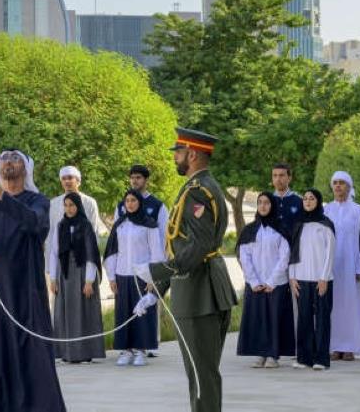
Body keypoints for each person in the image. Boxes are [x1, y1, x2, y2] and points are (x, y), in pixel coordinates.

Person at [133, 128, 236, 412]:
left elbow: (199, 245)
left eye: (178, 153)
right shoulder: (203, 186)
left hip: (198, 294)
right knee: (203, 373)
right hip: (204, 287)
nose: (175, 158)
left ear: (192, 154)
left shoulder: (197, 192)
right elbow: (185, 246)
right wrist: (158, 289)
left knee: (202, 376)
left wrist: (158, 270)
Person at [0, 149, 67, 412]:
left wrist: (0, 193)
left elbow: (34, 224)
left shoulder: (38, 201)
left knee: (34, 356)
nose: (9, 162)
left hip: (27, 294)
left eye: (15, 158)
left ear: (26, 169)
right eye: (4, 158)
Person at [104, 188, 163, 366]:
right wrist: (111, 277)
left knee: (142, 313)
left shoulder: (149, 224)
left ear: (140, 203)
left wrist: (153, 279)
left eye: (133, 201)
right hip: (122, 274)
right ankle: (126, 350)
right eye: (127, 201)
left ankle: (141, 350)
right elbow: (112, 252)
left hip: (142, 276)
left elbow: (156, 252)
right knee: (123, 313)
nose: (129, 204)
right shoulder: (119, 224)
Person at [235, 191, 293, 368]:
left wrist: (271, 282)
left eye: (267, 203)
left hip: (276, 284)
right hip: (255, 284)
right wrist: (254, 281)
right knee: (258, 318)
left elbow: (285, 256)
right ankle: (261, 353)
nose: (263, 206)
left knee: (275, 319)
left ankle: (273, 356)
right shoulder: (250, 230)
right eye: (260, 202)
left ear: (272, 205)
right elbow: (244, 256)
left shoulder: (281, 229)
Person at [47, 191, 105, 364]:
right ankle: (67, 353)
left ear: (78, 206)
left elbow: (91, 255)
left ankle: (85, 352)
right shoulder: (60, 226)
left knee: (83, 313)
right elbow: (54, 253)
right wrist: (53, 278)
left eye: (72, 205)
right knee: (63, 313)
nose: (69, 208)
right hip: (65, 275)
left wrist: (89, 281)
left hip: (82, 274)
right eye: (66, 205)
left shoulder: (85, 225)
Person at [290, 188, 335, 370]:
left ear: (318, 201)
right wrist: (292, 277)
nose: (308, 201)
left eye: (312, 198)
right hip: (300, 279)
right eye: (305, 199)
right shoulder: (298, 224)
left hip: (321, 280)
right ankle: (304, 358)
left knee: (323, 319)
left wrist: (324, 278)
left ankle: (321, 359)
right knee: (304, 319)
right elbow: (292, 254)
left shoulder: (325, 224)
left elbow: (330, 254)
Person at [323, 171, 360, 361]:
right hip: (330, 265)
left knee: (350, 305)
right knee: (331, 305)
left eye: (342, 183)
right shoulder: (325, 210)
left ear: (349, 186)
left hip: (350, 265)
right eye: (336, 183)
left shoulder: (358, 211)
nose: (339, 186)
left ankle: (349, 347)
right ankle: (333, 346)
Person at [49, 166, 102, 242]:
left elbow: (94, 231)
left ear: (78, 181)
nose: (67, 181)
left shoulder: (90, 202)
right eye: (63, 179)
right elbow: (51, 232)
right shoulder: (54, 203)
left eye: (70, 178)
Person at [115, 164, 168, 240]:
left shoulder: (157, 206)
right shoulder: (121, 206)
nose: (134, 181)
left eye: (138, 178)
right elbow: (116, 234)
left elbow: (164, 235)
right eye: (132, 178)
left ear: (146, 180)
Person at [269, 163, 304, 242]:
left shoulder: (300, 201)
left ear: (289, 178)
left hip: (293, 248)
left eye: (281, 175)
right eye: (275, 175)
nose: (278, 179)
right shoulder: (266, 201)